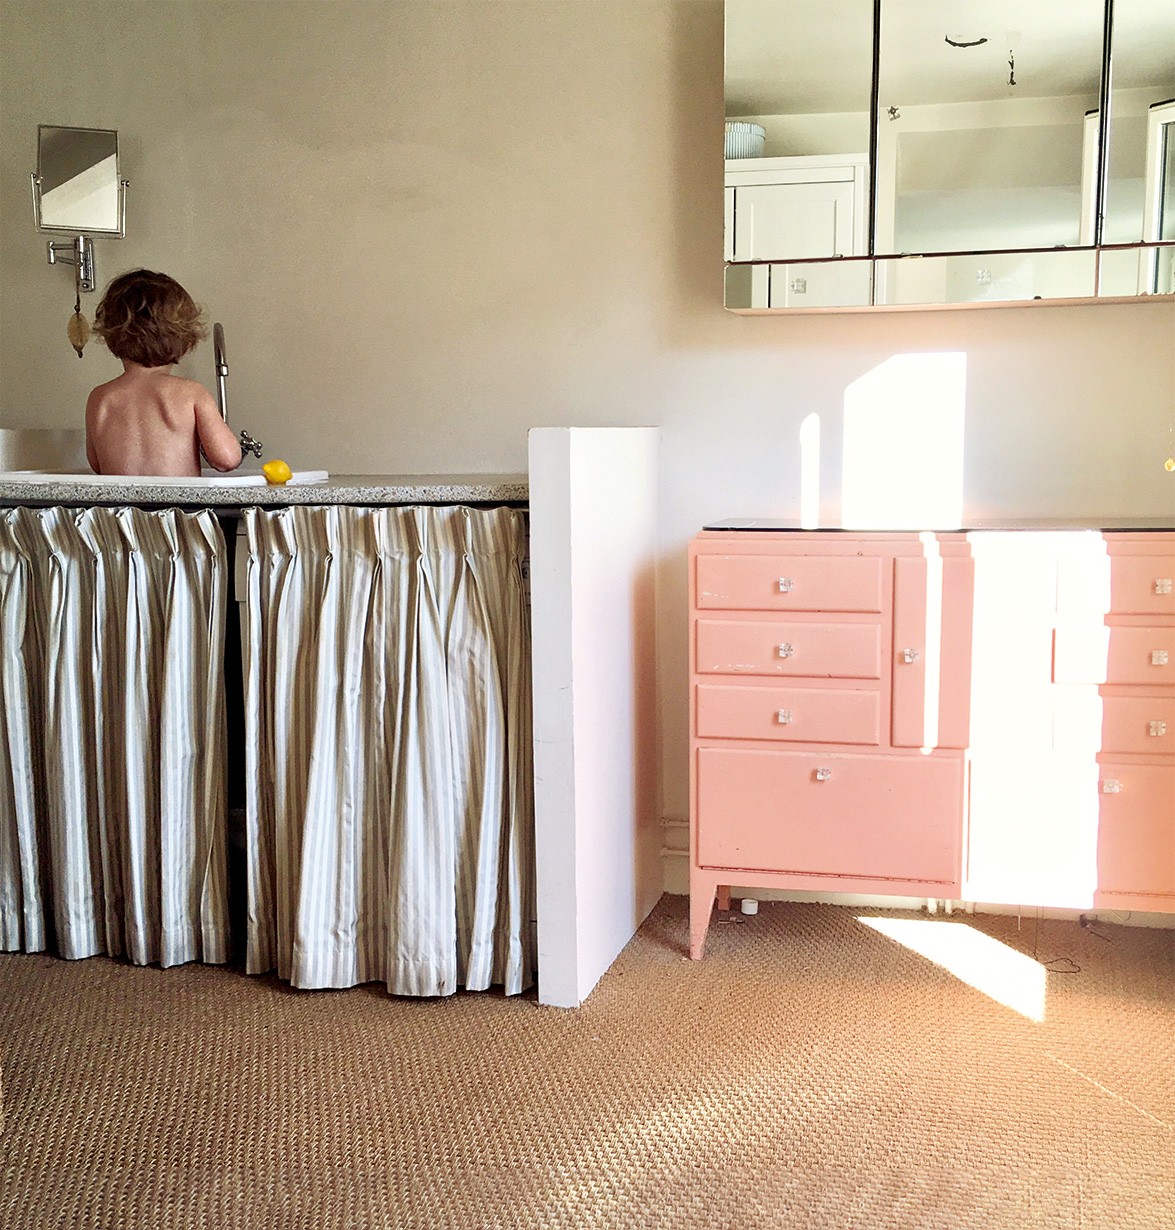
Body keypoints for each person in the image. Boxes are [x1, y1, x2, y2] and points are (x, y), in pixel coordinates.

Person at [86, 269, 242, 476]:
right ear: (184, 339)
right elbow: (227, 458)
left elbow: (97, 464)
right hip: (177, 499)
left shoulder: (100, 398)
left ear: (110, 335)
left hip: (119, 499)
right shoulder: (191, 393)